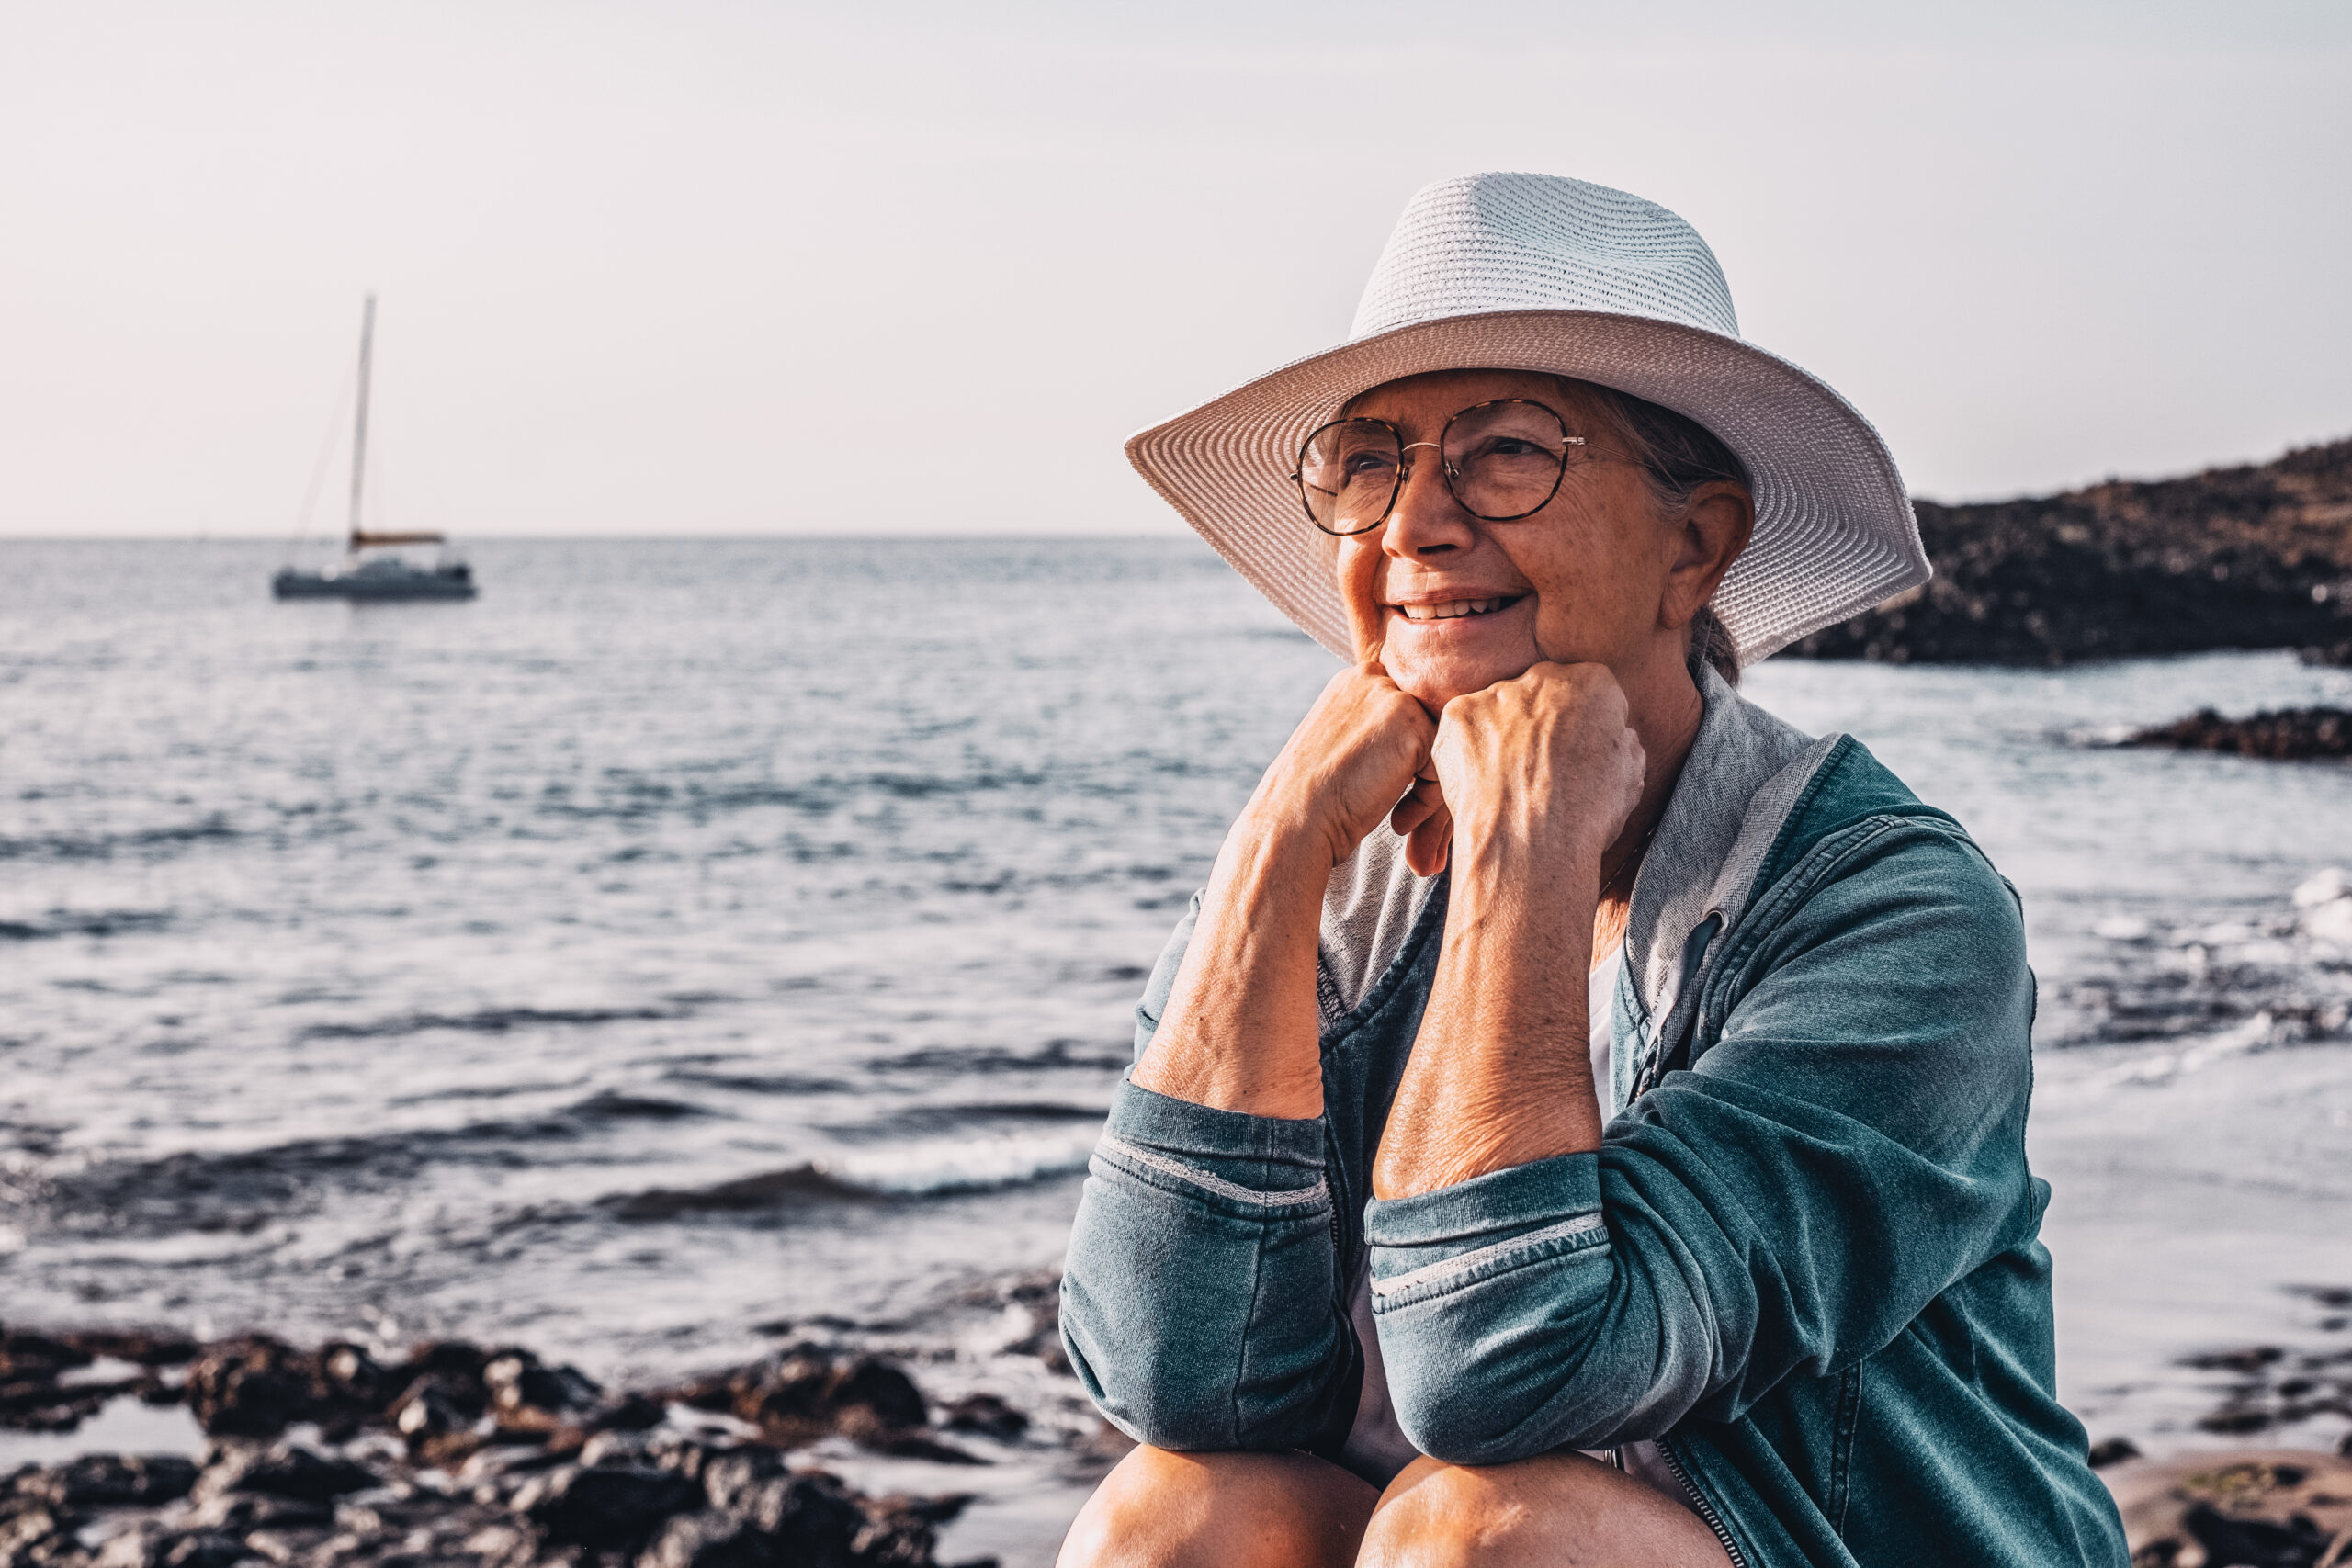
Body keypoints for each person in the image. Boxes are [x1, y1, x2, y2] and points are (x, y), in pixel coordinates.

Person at [1051, 174, 2130, 1567]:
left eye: (1506, 453)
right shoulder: (1336, 885)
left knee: (1482, 1533)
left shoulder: (1894, 914)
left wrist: (1527, 851)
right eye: (1371, 462)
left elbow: (1498, 1372)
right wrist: (1272, 851)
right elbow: (1166, 1369)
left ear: (1698, 542)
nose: (1416, 524)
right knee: (1177, 1516)